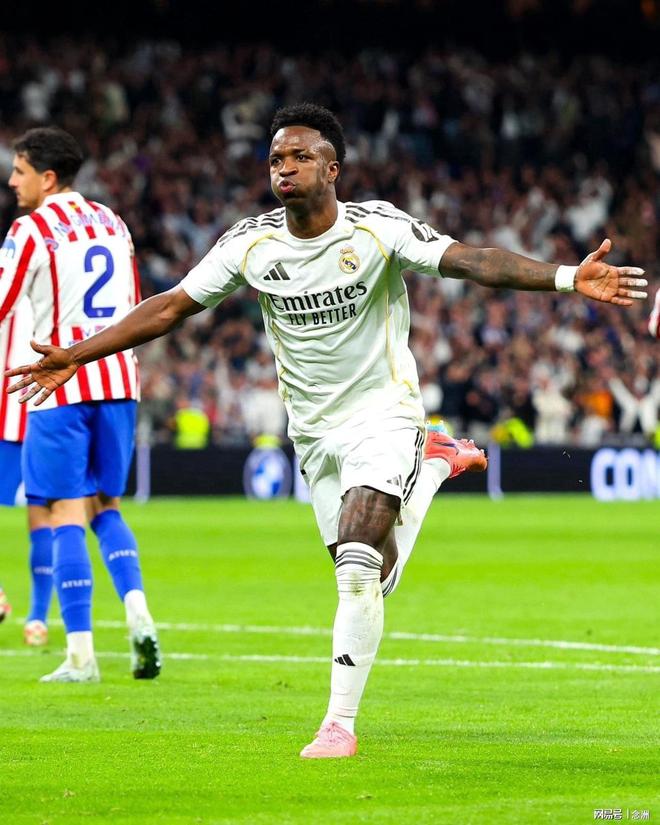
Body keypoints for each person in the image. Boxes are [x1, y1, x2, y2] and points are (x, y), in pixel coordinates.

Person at [6, 105, 647, 751]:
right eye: (276, 159)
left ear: (333, 169)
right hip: (313, 432)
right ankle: (432, 466)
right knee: (373, 574)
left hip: (384, 413)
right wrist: (77, 354)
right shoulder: (250, 244)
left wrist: (567, 277)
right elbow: (172, 306)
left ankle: (339, 723)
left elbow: (470, 260)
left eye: (300, 157)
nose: (284, 168)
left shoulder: (377, 229)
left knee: (356, 570)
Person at [0, 127, 161, 683]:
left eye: (19, 171)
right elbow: (135, 308)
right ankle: (138, 611)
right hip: (118, 382)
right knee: (106, 506)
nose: (12, 181)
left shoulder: (30, 229)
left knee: (64, 512)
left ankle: (80, 655)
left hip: (58, 383)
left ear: (47, 178)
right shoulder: (113, 222)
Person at [0, 297, 53, 646]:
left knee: (44, 517)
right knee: (45, 517)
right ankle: (37, 620)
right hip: (49, 411)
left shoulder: (11, 281)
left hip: (10, 412)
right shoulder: (55, 285)